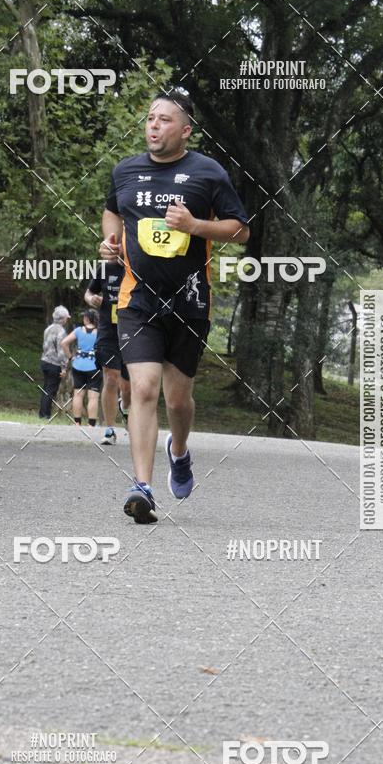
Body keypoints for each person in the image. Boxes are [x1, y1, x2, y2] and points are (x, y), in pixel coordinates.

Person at [100, 90, 250, 523]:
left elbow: (240, 230)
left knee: (178, 399)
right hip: (137, 299)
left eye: (164, 120)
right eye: (150, 118)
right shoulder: (125, 171)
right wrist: (111, 242)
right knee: (143, 388)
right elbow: (112, 212)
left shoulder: (207, 172)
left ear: (185, 130)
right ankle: (142, 486)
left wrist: (195, 225)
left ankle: (179, 451)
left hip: (188, 300)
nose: (154, 125)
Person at [85, 260, 131, 445]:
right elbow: (89, 292)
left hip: (133, 332)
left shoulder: (139, 264)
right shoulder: (105, 268)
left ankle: (125, 407)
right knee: (111, 377)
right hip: (108, 332)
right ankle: (110, 430)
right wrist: (91, 299)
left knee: (128, 388)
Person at [62, 310, 100, 427]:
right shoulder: (99, 332)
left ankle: (77, 422)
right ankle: (91, 424)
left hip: (78, 365)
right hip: (94, 366)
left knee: (78, 394)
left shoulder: (78, 331)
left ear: (87, 319)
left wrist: (70, 357)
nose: (83, 319)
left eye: (84, 317)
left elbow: (64, 343)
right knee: (93, 397)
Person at [39, 305, 71, 419]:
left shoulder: (48, 329)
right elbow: (61, 351)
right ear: (62, 318)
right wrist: (64, 367)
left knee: (46, 387)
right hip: (54, 364)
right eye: (66, 318)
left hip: (44, 361)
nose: (67, 320)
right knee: (51, 390)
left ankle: (42, 413)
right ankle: (45, 415)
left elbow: (45, 346)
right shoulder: (61, 332)